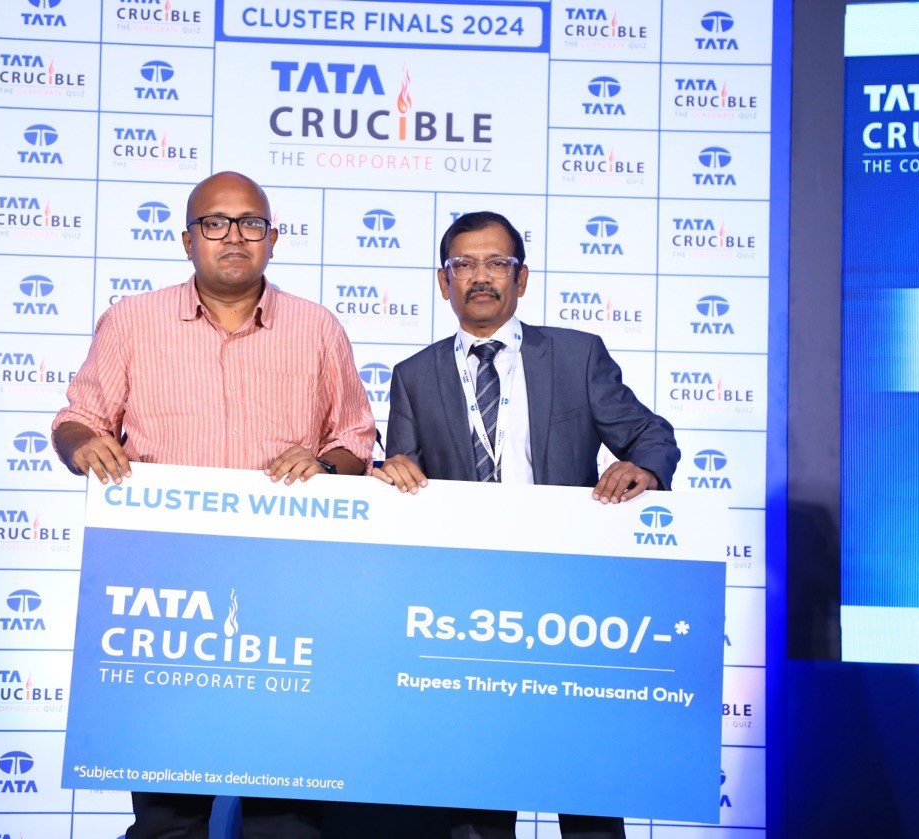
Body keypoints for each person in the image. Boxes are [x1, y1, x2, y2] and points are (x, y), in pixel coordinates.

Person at [52, 171, 375, 839]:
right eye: (215, 223)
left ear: (273, 238)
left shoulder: (317, 327)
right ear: (187, 239)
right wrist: (84, 444)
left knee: (286, 811)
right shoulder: (132, 321)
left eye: (250, 223)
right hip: (168, 595)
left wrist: (324, 465)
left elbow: (355, 439)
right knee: (170, 810)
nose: (234, 236)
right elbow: (77, 418)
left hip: (289, 591)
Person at [372, 210, 680, 839]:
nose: (480, 277)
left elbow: (652, 434)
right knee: (480, 793)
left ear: (522, 277)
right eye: (463, 265)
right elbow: (407, 477)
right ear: (443, 281)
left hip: (568, 604)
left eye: (496, 263)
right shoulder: (413, 375)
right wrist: (390, 474)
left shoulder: (575, 355)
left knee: (585, 790)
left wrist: (643, 468)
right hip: (470, 613)